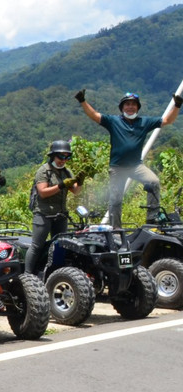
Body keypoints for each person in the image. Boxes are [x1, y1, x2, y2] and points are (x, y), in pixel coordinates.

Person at [75, 89, 181, 226]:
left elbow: (168, 120)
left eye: (133, 104)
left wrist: (177, 105)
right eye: (127, 104)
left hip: (136, 166)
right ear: (122, 107)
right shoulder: (113, 121)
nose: (130, 107)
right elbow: (94, 115)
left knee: (153, 181)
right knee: (115, 200)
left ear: (137, 107)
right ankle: (115, 230)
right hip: (118, 168)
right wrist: (82, 101)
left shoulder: (144, 122)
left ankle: (152, 218)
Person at [26, 139, 82, 277]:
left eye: (67, 157)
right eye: (61, 156)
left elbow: (76, 191)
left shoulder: (66, 172)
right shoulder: (44, 171)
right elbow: (43, 192)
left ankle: (56, 274)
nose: (63, 160)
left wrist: (80, 182)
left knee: (61, 246)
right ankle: (27, 275)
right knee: (37, 245)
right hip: (43, 214)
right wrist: (61, 185)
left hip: (60, 214)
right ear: (53, 155)